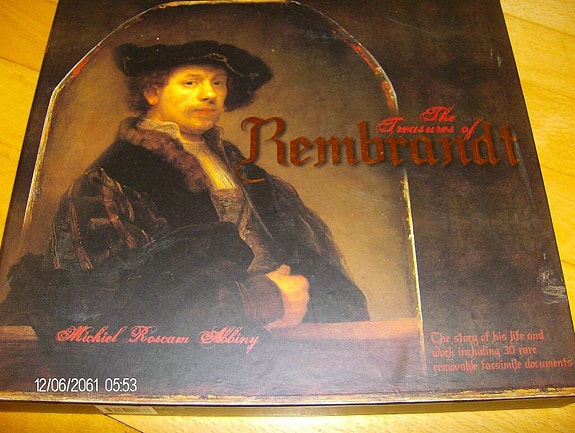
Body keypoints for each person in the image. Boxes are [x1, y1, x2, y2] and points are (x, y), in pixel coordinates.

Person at [3, 41, 369, 345]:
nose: (209, 94)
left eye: (218, 82)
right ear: (152, 91)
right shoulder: (110, 177)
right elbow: (116, 299)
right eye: (191, 82)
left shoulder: (234, 162)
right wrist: (260, 298)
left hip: (289, 324)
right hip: (208, 337)